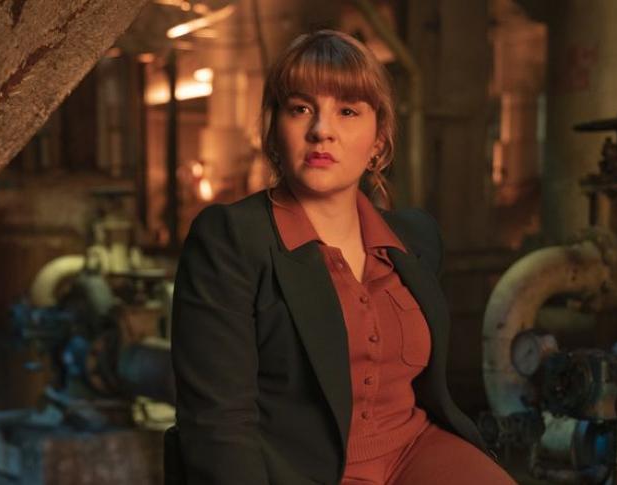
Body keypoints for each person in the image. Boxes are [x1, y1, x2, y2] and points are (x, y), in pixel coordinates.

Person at [169, 30, 516, 485]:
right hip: (302, 470)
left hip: (414, 450)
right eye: (300, 109)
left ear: (378, 139)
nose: (321, 130)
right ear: (275, 128)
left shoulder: (414, 239)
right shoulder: (230, 239)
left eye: (347, 111)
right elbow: (217, 424)